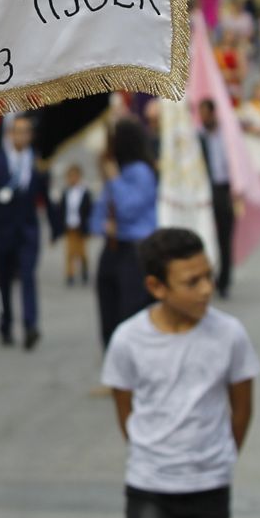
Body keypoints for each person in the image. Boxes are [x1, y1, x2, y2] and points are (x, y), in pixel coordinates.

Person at [103, 227, 259, 518]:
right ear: (157, 286)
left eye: (208, 275)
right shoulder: (128, 340)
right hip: (150, 487)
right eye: (192, 282)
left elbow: (242, 406)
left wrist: (221, 455)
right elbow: (125, 407)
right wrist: (149, 450)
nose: (206, 288)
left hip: (208, 485)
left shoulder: (230, 335)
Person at [0, 115, 50, 349]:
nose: (21, 136)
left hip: (28, 230)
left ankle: (30, 325)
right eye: (17, 132)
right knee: (3, 282)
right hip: (2, 232)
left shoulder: (37, 161)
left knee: (28, 277)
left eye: (26, 132)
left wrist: (55, 226)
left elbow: (47, 197)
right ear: (10, 135)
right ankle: (5, 323)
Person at [94, 118, 160, 349]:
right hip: (114, 246)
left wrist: (114, 179)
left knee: (129, 311)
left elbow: (128, 208)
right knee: (108, 308)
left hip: (135, 249)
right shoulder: (120, 172)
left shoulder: (140, 172)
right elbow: (102, 209)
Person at [195, 100, 237, 297]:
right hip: (205, 188)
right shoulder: (198, 136)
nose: (203, 118)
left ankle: (225, 280)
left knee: (225, 237)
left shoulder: (227, 135)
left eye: (205, 113)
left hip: (224, 188)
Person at [59, 163, 92, 287]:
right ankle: (70, 274)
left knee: (82, 252)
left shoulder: (84, 192)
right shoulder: (66, 192)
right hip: (70, 226)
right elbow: (62, 210)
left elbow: (89, 210)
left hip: (81, 227)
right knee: (69, 253)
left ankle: (84, 271)